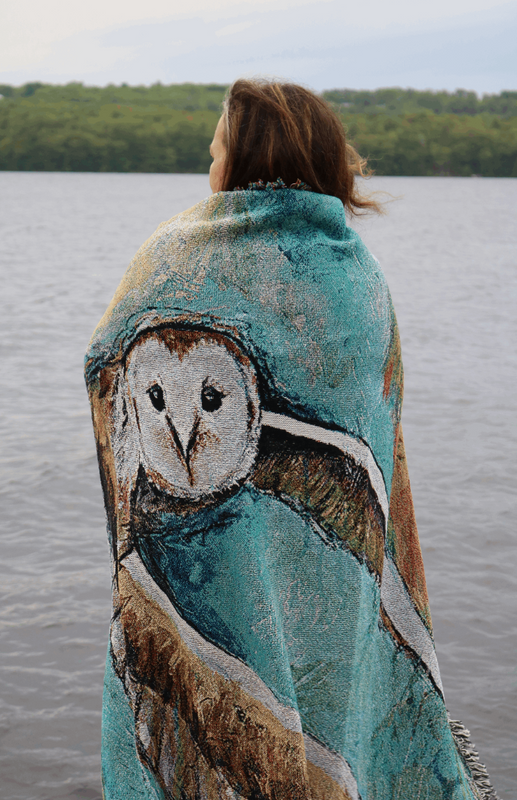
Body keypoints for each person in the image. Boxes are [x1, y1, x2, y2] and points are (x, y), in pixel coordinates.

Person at [85, 78, 497, 800]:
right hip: (339, 592)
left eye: (215, 148)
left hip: (225, 564)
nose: (209, 163)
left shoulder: (174, 260)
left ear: (238, 157)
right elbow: (381, 424)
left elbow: (103, 364)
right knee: (329, 704)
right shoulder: (355, 274)